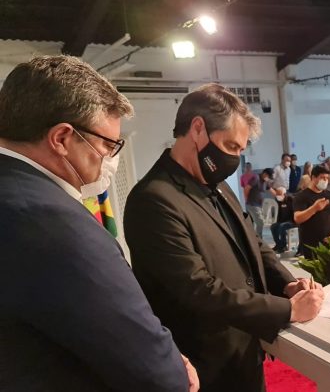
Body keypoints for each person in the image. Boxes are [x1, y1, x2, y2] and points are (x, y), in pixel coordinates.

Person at [0, 55, 194, 391]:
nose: (109, 159)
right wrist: (172, 367)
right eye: (106, 144)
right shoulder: (52, 220)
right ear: (62, 138)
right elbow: (150, 369)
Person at [124, 84, 323, 392]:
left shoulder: (216, 184)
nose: (235, 159)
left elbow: (252, 242)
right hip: (205, 365)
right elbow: (198, 289)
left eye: (241, 150)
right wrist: (289, 310)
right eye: (231, 146)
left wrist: (287, 284)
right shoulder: (154, 199)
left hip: (244, 350)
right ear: (198, 129)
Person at [293, 164, 330, 259]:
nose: (325, 180)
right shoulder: (301, 197)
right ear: (313, 177)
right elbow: (297, 218)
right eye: (322, 178)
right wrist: (314, 208)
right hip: (312, 245)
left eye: (327, 178)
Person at [244, 167, 272, 237]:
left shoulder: (265, 182)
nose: (268, 179)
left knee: (254, 222)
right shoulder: (256, 178)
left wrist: (280, 194)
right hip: (252, 204)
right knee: (260, 222)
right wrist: (246, 199)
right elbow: (246, 188)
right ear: (265, 174)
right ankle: (259, 239)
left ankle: (255, 237)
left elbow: (271, 190)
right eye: (268, 177)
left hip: (259, 205)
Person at [270, 186, 296, 253]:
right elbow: (279, 213)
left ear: (284, 194)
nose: (278, 196)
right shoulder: (279, 201)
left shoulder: (291, 200)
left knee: (282, 226)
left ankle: (283, 246)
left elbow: (295, 212)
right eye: (277, 194)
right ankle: (278, 244)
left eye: (279, 194)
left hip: (292, 221)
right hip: (283, 221)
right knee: (273, 226)